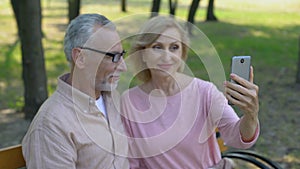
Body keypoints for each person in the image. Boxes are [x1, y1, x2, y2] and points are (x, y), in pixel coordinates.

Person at [121, 16, 260, 169]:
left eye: (174, 47)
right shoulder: (128, 102)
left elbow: (238, 138)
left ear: (182, 53)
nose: (167, 56)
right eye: (157, 47)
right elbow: (131, 163)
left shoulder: (204, 92)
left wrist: (251, 114)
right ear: (143, 54)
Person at [22, 13, 129, 169]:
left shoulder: (113, 99)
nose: (123, 67)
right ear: (80, 58)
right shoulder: (51, 125)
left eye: (122, 55)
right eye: (114, 56)